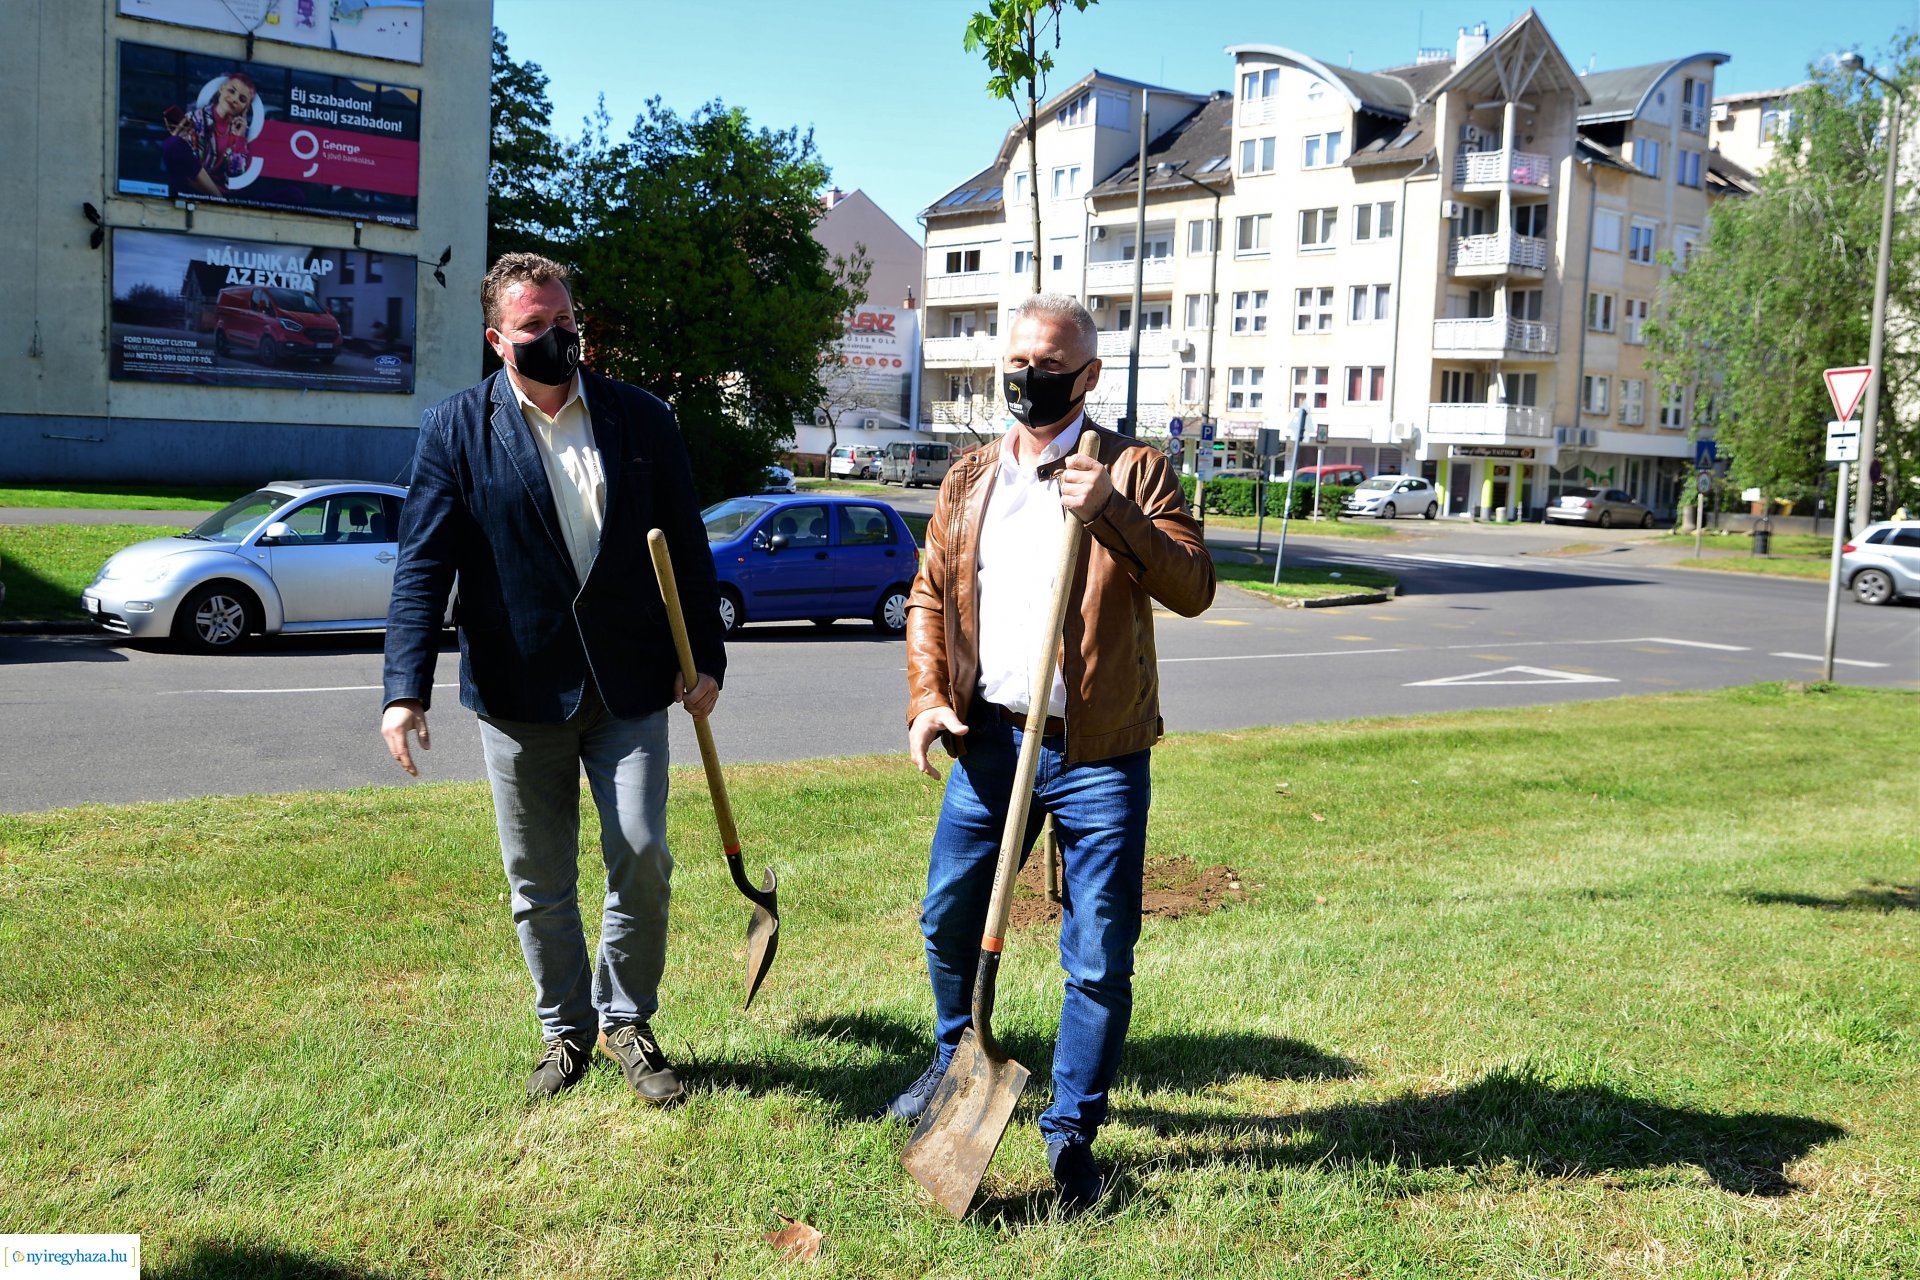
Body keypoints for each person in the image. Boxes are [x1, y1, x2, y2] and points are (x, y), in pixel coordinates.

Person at [886, 293, 1215, 1213]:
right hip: (991, 739)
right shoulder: (970, 479)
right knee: (949, 915)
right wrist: (926, 700)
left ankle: (1071, 1134)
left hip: (1099, 750)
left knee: (1100, 953)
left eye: (1051, 367)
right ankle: (959, 1063)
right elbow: (928, 595)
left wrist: (1111, 511)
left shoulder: (1137, 470)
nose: (1031, 380)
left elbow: (1193, 586)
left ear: (1090, 376)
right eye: (1019, 365)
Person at [381, 252, 725, 1106]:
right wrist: (404, 688)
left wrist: (707, 662)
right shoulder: (454, 429)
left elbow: (687, 542)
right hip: (518, 690)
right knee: (539, 878)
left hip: (631, 686)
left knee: (643, 854)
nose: (556, 336)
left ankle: (628, 1022)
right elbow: (422, 566)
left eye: (565, 320)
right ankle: (565, 1031)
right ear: (499, 339)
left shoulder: (642, 419)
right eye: (535, 326)